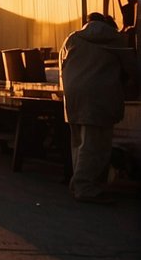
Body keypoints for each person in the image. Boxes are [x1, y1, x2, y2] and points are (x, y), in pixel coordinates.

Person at [59, 13, 137, 203]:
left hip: (73, 94)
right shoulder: (116, 40)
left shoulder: (72, 38)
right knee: (95, 144)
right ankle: (85, 188)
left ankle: (78, 184)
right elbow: (133, 68)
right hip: (99, 96)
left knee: (78, 142)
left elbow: (63, 65)